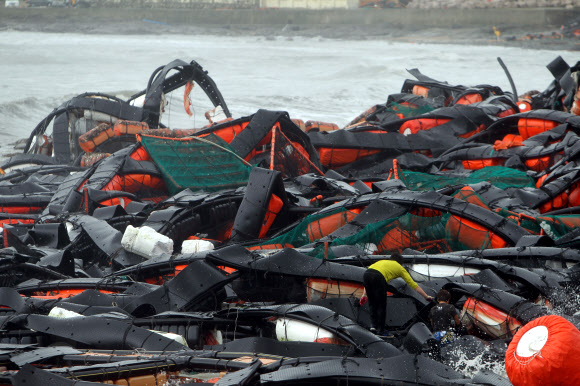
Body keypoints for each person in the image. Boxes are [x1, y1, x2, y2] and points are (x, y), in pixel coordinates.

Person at [359, 252, 433, 336]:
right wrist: (426, 296)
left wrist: (364, 294)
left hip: (366, 274)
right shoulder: (400, 268)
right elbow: (413, 284)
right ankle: (381, 330)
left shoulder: (382, 262)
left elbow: (370, 275)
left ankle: (373, 327)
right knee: (381, 305)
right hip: (379, 277)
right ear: (400, 262)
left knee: (372, 303)